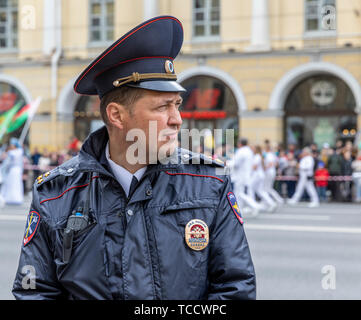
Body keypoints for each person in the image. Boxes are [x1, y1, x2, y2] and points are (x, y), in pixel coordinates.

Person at [12, 16, 256, 300]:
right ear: (117, 115)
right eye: (163, 106)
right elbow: (34, 291)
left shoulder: (209, 183)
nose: (177, 120)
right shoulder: (55, 194)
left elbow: (236, 288)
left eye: (177, 105)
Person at [230, 138, 262, 216]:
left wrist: (227, 164)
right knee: (240, 193)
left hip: (240, 175)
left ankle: (254, 205)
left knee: (239, 193)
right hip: (247, 174)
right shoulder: (249, 151)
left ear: (240, 143)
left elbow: (235, 163)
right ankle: (239, 209)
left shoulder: (241, 151)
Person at [249, 145, 277, 212]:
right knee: (260, 191)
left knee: (250, 188)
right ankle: (271, 203)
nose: (251, 150)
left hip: (256, 175)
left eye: (253, 148)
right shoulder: (259, 156)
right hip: (260, 175)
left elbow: (254, 167)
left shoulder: (257, 156)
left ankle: (253, 205)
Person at [0, 138, 24, 205]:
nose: (11, 146)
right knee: (10, 184)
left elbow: (10, 157)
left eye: (12, 144)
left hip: (16, 171)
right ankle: (10, 198)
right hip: (11, 171)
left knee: (15, 184)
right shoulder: (13, 152)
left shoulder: (18, 151)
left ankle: (16, 198)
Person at [263, 140, 284, 205]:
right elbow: (276, 164)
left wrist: (264, 168)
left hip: (269, 172)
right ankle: (266, 200)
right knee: (268, 188)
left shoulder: (269, 155)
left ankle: (277, 200)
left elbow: (271, 163)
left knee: (267, 187)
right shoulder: (273, 155)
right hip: (272, 171)